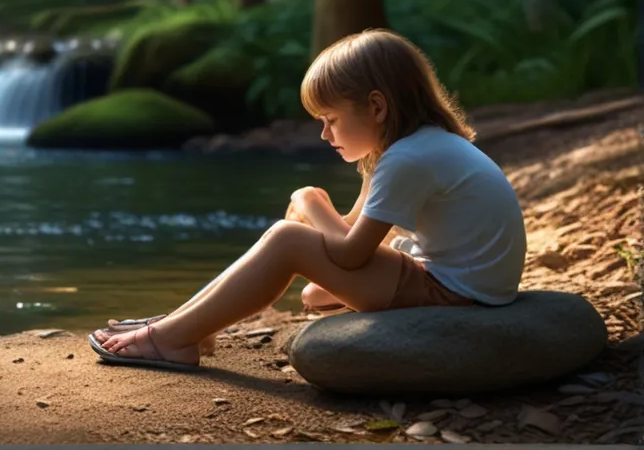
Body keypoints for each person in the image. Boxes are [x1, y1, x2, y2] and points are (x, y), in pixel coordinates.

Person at [91, 28, 527, 370]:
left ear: (376, 107)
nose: (324, 134)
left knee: (287, 241)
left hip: (457, 297)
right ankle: (188, 326)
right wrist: (312, 217)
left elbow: (353, 254)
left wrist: (308, 201)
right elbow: (357, 234)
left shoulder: (409, 158)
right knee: (315, 291)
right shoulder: (410, 149)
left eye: (331, 119)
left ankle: (173, 338)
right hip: (459, 284)